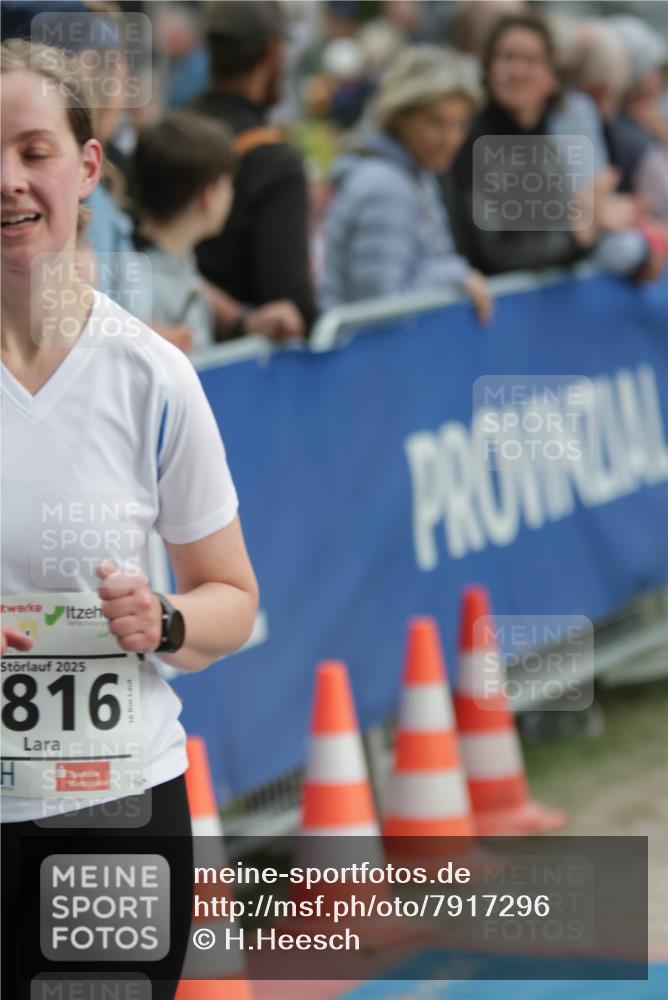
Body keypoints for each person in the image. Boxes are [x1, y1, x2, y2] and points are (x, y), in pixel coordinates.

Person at [0, 38, 259, 1000]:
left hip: (114, 815)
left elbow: (233, 596)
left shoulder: (151, 376)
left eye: (33, 151)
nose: (9, 182)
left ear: (88, 167)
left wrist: (169, 618)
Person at [448, 14, 658, 280]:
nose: (516, 70)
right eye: (505, 57)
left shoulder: (546, 141)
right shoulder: (471, 140)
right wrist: (581, 232)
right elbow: (499, 252)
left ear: (552, 77)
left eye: (530, 60)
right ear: (488, 68)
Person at [319, 45, 492, 322]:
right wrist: (458, 276)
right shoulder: (386, 186)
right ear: (400, 116)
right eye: (436, 123)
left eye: (460, 125)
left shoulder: (415, 173)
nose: (451, 139)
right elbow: (381, 305)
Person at [192, 0, 315, 339]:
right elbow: (291, 304)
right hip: (248, 372)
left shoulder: (166, 134)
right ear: (272, 53)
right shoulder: (272, 160)